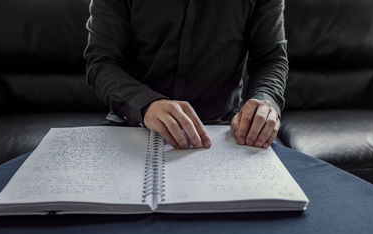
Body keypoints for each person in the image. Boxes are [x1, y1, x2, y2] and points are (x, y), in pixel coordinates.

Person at [84, 0, 288, 150]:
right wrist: (146, 104)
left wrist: (264, 100)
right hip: (134, 124)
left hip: (225, 130)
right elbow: (101, 63)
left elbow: (270, 60)